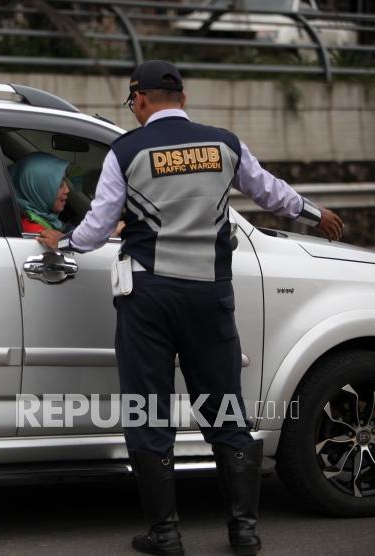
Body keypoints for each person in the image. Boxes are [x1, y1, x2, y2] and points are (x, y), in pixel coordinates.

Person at [38, 60, 344, 556]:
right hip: (210, 296)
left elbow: (96, 228)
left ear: (139, 100)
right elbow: (268, 191)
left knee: (148, 413)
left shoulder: (127, 150)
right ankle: (244, 532)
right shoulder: (224, 143)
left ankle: (166, 535)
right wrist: (315, 213)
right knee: (225, 409)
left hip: (148, 299)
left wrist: (62, 241)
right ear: (182, 97)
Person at [10, 152, 72, 233]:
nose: (67, 190)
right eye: (60, 185)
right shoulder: (37, 233)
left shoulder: (44, 219)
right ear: (38, 189)